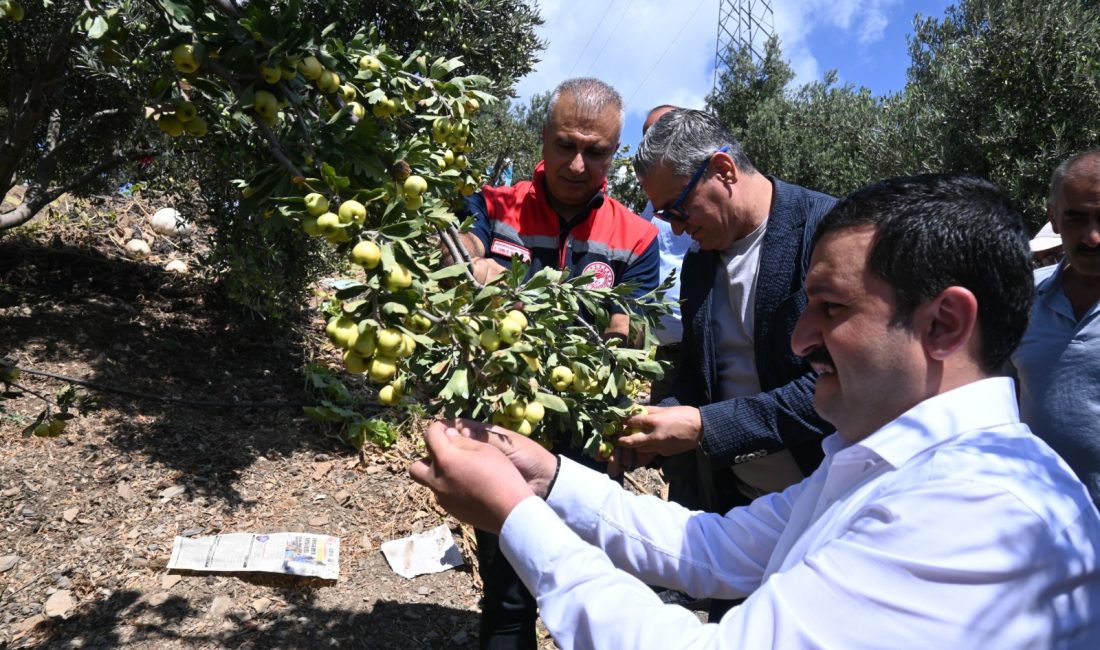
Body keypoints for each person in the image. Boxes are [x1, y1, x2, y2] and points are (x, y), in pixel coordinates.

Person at [410, 173, 1100, 649]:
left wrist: (515, 516)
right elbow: (709, 549)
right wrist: (548, 478)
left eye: (831, 309)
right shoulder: (883, 465)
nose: (801, 341)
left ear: (944, 325)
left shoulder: (981, 513)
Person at [455, 77, 660, 649]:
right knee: (507, 584)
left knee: (588, 582)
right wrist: (473, 260)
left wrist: (621, 335)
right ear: (542, 138)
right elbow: (460, 248)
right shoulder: (494, 208)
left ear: (614, 154)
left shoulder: (637, 237)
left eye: (596, 152)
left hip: (584, 431)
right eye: (565, 144)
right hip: (500, 418)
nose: (577, 164)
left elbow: (633, 333)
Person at [621, 109, 836, 515]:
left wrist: (706, 427)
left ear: (723, 170)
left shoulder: (828, 233)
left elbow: (840, 386)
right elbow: (694, 375)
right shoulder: (700, 263)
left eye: (678, 209)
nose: (678, 230)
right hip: (740, 509)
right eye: (665, 217)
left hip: (827, 507)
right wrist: (653, 425)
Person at [1012, 149, 1100, 509]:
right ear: (1054, 218)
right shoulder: (1021, 297)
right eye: (1077, 218)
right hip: (1040, 522)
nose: (1093, 237)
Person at [636, 104, 693, 403]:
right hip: (665, 352)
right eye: (646, 135)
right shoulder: (652, 202)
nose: (650, 142)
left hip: (698, 350)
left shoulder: (692, 197)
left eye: (658, 132)